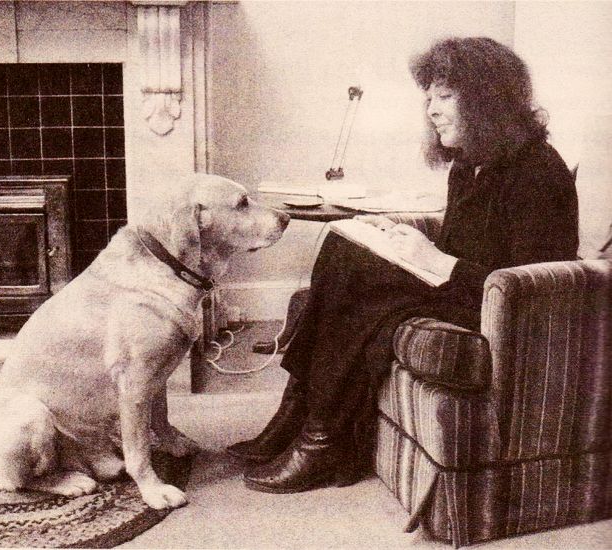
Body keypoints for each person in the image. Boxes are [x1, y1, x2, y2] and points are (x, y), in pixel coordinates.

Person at [228, 36, 579, 493]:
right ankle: (298, 414)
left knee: (363, 297)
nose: (431, 109)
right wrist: (408, 248)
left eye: (445, 96)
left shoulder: (537, 171)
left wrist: (437, 261)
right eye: (429, 97)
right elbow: (459, 248)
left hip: (500, 312)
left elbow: (530, 286)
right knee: (343, 245)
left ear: (487, 99)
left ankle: (323, 441)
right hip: (458, 289)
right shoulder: (470, 164)